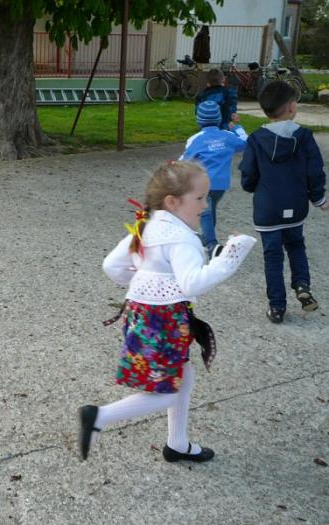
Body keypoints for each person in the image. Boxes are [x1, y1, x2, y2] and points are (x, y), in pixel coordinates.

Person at [79, 160, 256, 463]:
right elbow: (192, 283)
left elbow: (112, 265)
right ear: (172, 202)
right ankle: (99, 416)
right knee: (166, 393)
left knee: (183, 375)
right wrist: (230, 256)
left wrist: (145, 284)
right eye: (199, 198)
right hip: (165, 322)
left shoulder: (147, 226)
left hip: (143, 316)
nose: (205, 205)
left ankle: (177, 443)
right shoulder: (182, 238)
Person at [239, 80, 328, 324]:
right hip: (295, 205)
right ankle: (302, 284)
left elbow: (248, 173)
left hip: (268, 208)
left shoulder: (256, 139)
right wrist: (319, 198)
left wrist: (251, 187)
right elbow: (314, 171)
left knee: (273, 256)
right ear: (291, 107)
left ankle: (277, 306)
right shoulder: (304, 137)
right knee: (296, 245)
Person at [180, 100, 248, 257]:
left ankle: (212, 245)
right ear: (219, 118)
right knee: (209, 211)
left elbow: (185, 161)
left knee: (205, 212)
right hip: (221, 185)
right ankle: (207, 239)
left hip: (202, 184)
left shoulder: (196, 139)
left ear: (199, 120)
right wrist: (237, 126)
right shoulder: (228, 136)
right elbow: (246, 142)